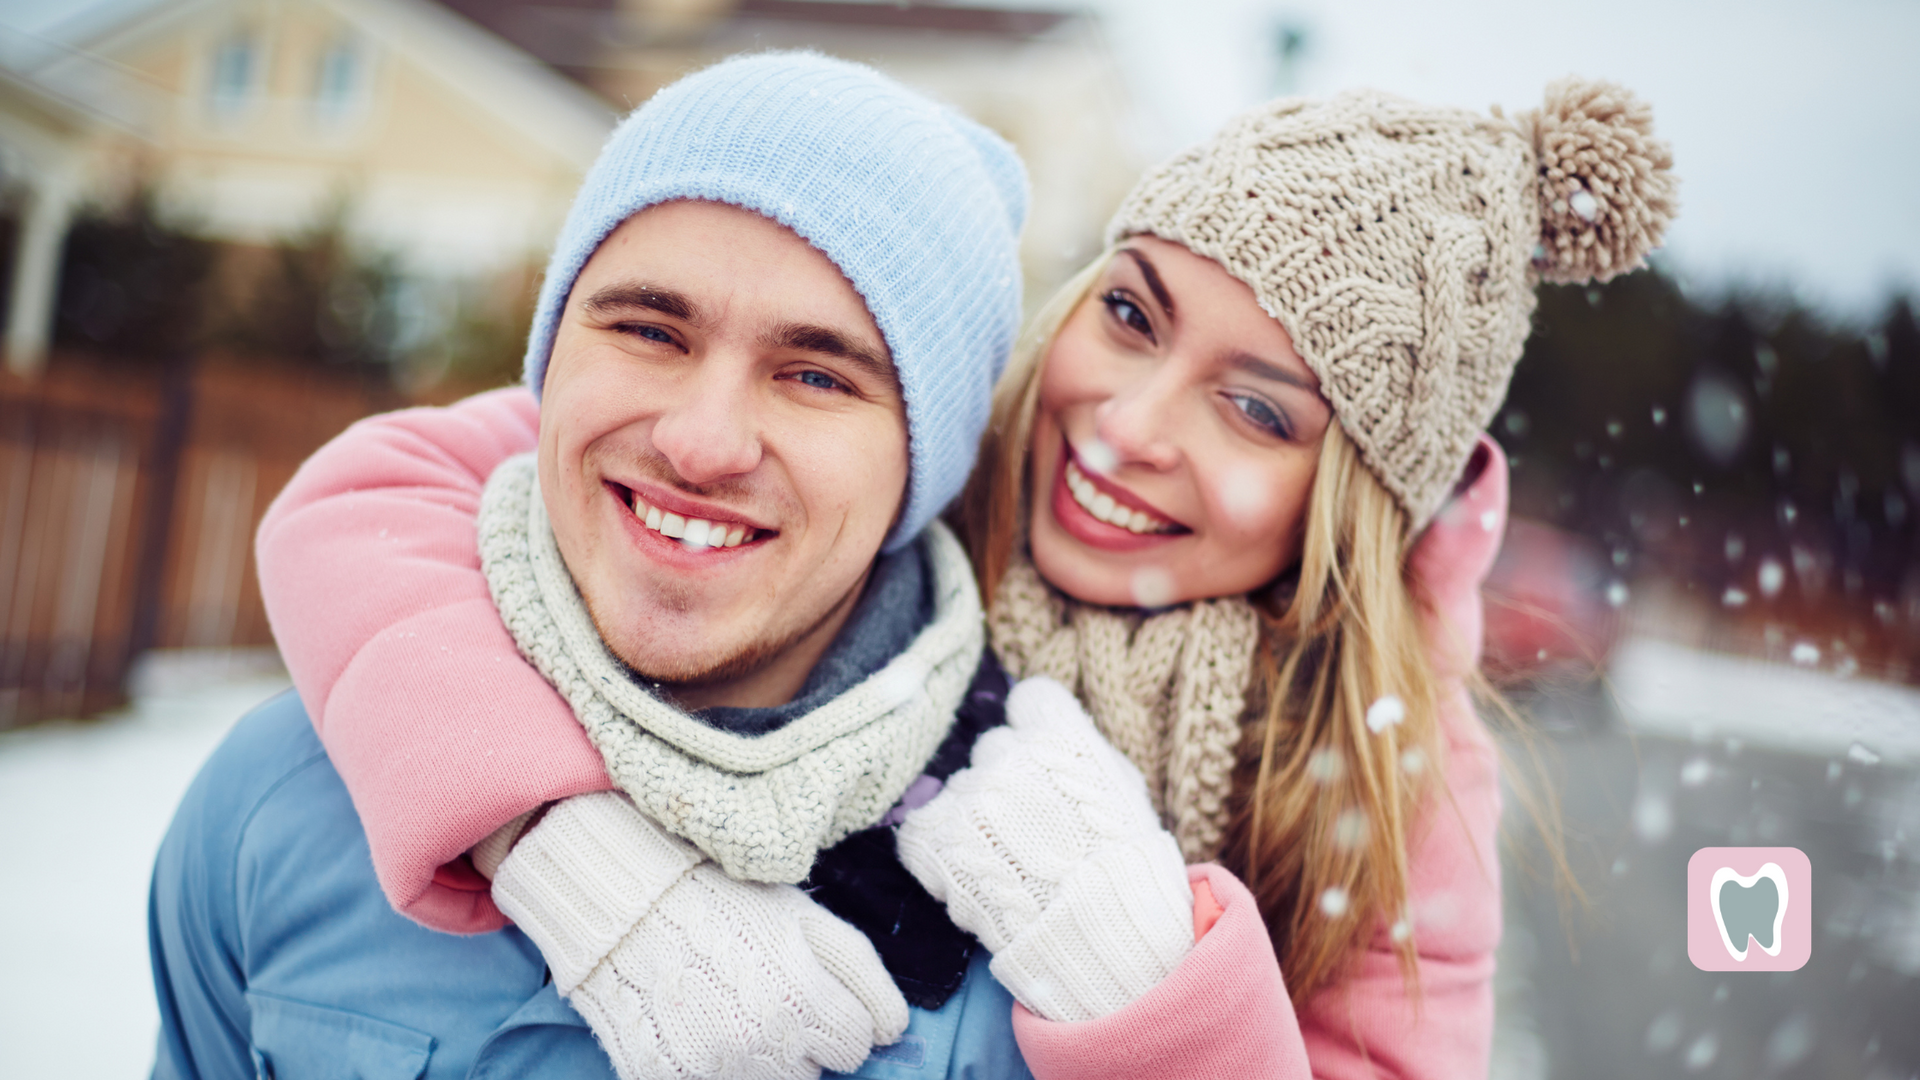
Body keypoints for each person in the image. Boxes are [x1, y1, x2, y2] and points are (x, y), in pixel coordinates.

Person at [190, 72, 1677, 1080]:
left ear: (1346, 506)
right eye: (1133, 316)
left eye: (1258, 409)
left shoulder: (1373, 767)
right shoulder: (912, 452)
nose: (1128, 424)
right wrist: (546, 835)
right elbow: (377, 506)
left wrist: (1156, 987)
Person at [149, 51, 1035, 1080]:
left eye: (814, 375)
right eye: (651, 329)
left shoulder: (1029, 925)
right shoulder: (283, 802)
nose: (703, 444)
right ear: (551, 354)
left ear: (921, 468)